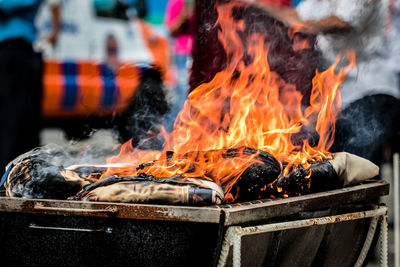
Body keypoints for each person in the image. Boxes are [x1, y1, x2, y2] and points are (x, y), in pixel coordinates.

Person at [257, 0, 400, 164]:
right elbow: (293, 17)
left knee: (357, 162)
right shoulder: (314, 4)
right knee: (316, 159)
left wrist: (280, 14)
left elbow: (342, 22)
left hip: (373, 90)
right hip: (339, 101)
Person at [0, 0, 60, 172]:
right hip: (11, 54)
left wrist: (53, 32)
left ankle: (12, 173)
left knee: (15, 118)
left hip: (16, 52)